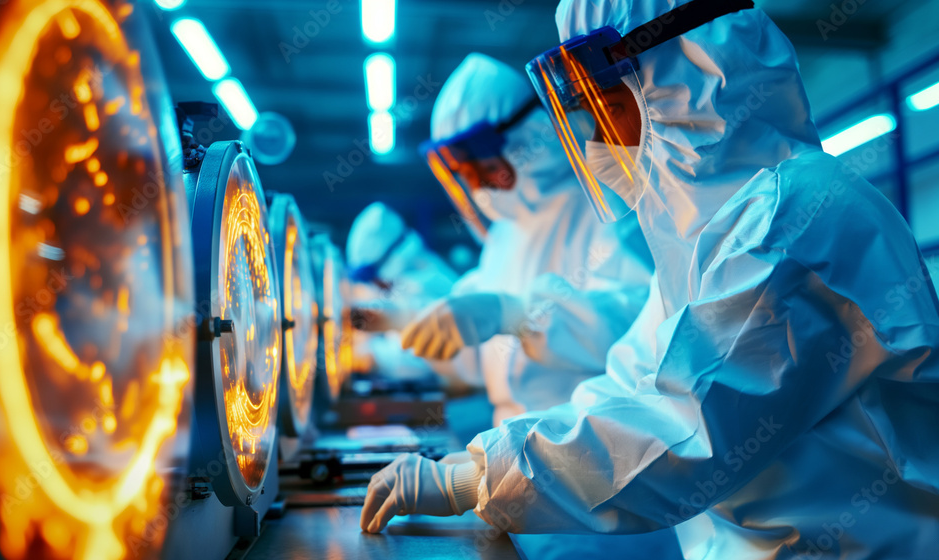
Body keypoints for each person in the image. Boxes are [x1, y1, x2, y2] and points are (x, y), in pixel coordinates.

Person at [360, 1, 939, 558]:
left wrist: (483, 479)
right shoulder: (706, 233)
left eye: (605, 102)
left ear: (685, 74)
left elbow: (684, 426)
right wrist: (478, 464)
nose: (597, 137)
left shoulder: (794, 219)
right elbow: (632, 377)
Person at [404, 53, 655, 425]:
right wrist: (408, 324)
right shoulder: (504, 237)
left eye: (486, 166)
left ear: (528, 139)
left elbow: (640, 326)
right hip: (514, 442)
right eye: (465, 173)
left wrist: (516, 314)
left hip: (591, 438)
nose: (478, 185)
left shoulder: (606, 205)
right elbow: (478, 364)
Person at [346, 202, 466, 381]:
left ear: (388, 263)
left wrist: (370, 356)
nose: (374, 286)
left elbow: (419, 358)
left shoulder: (420, 285)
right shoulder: (420, 272)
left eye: (373, 279)